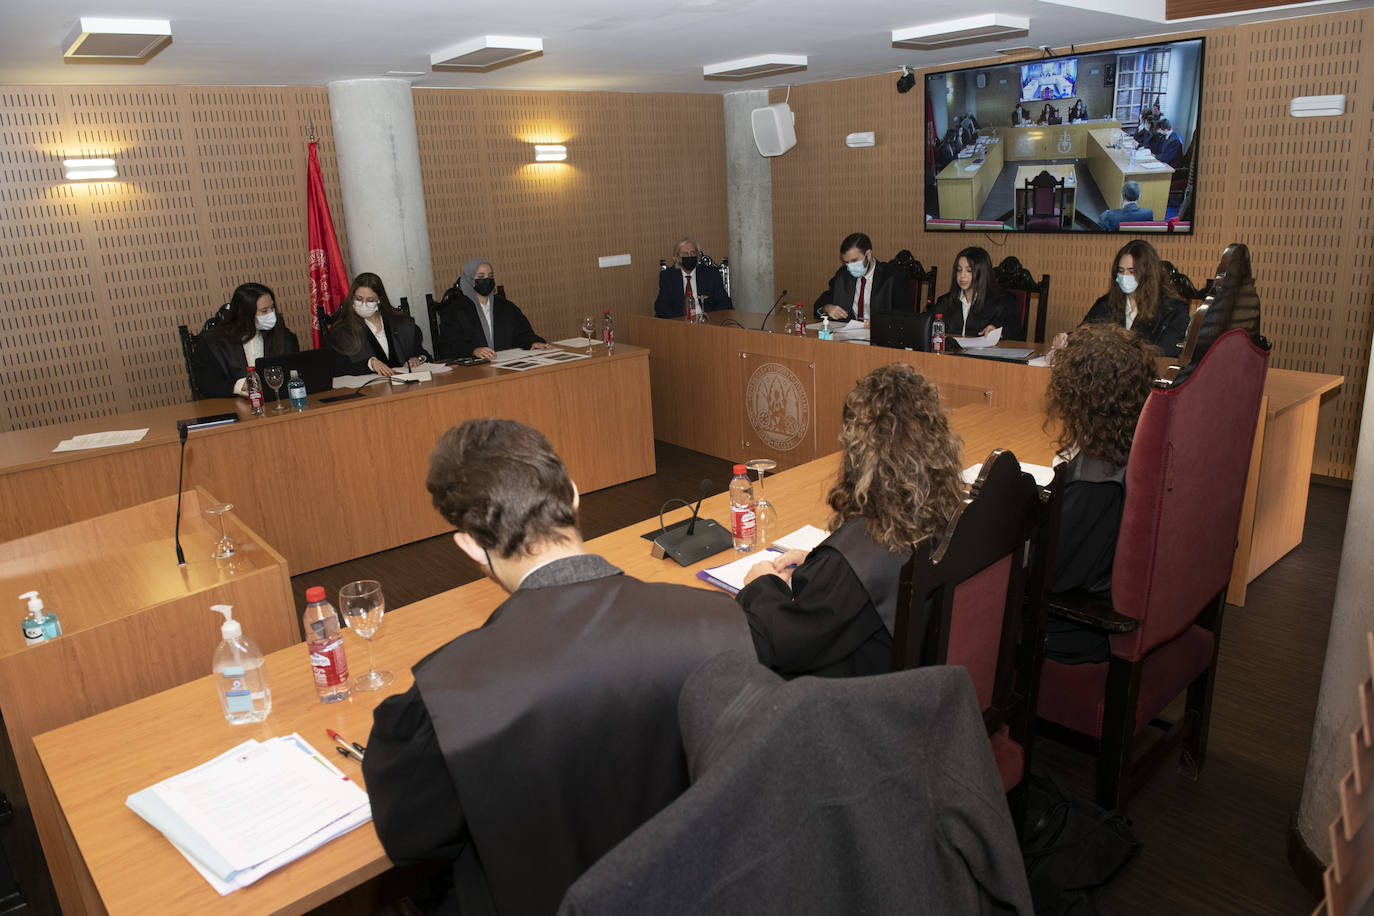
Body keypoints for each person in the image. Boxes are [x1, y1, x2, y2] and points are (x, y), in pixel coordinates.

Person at [363, 418, 750, 916]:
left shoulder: (447, 695)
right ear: (572, 495)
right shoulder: (722, 622)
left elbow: (409, 840)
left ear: (467, 544)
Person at [735, 364, 964, 679]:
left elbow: (784, 643)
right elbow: (862, 577)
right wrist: (818, 564)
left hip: (862, 705)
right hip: (925, 679)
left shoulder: (860, 553)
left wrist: (761, 582)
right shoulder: (941, 507)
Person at [1043, 322, 1156, 663]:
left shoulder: (1093, 484)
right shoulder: (1136, 449)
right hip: (1109, 599)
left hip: (1072, 630)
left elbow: (1050, 576)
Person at [1060, 240, 1190, 356]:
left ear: (1148, 274)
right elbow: (1085, 334)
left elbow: (1166, 350)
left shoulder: (1174, 310)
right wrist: (1068, 338)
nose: (1125, 276)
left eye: (1132, 272)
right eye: (1121, 271)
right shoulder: (1105, 303)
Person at [190, 282, 299, 398]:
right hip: (232, 405)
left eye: (272, 308)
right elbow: (208, 385)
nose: (271, 314)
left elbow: (295, 372)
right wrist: (240, 385)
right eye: (264, 311)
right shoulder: (212, 343)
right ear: (245, 314)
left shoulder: (284, 336)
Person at [436, 258, 552, 359]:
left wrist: (532, 342)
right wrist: (474, 351)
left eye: (490, 276)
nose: (487, 280)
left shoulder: (506, 307)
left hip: (506, 364)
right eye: (481, 277)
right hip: (472, 370)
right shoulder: (455, 310)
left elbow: (521, 333)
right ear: (469, 280)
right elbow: (449, 346)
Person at [327, 272, 430, 376]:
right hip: (370, 390)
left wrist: (417, 359)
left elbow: (423, 354)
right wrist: (370, 364)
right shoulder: (342, 331)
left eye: (370, 300)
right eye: (359, 299)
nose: (364, 304)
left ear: (379, 300)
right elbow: (337, 369)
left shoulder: (401, 323)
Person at [812, 233, 914, 321]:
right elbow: (819, 305)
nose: (850, 266)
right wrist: (827, 308)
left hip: (882, 337)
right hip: (849, 336)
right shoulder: (843, 275)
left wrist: (881, 322)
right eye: (846, 262)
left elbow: (905, 315)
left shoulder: (892, 276)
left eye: (854, 261)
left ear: (868, 254)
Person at [929, 246, 1022, 339]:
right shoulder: (944, 301)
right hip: (948, 353)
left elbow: (1015, 331)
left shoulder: (1002, 302)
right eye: (959, 269)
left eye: (969, 271)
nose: (962, 275)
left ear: (982, 273)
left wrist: (998, 331)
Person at [653, 236, 732, 318]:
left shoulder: (711, 274)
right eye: (685, 254)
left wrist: (708, 317)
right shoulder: (668, 276)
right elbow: (660, 306)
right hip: (680, 323)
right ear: (677, 258)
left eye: (693, 253)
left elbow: (725, 302)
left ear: (697, 255)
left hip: (708, 322)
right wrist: (680, 320)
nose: (689, 256)